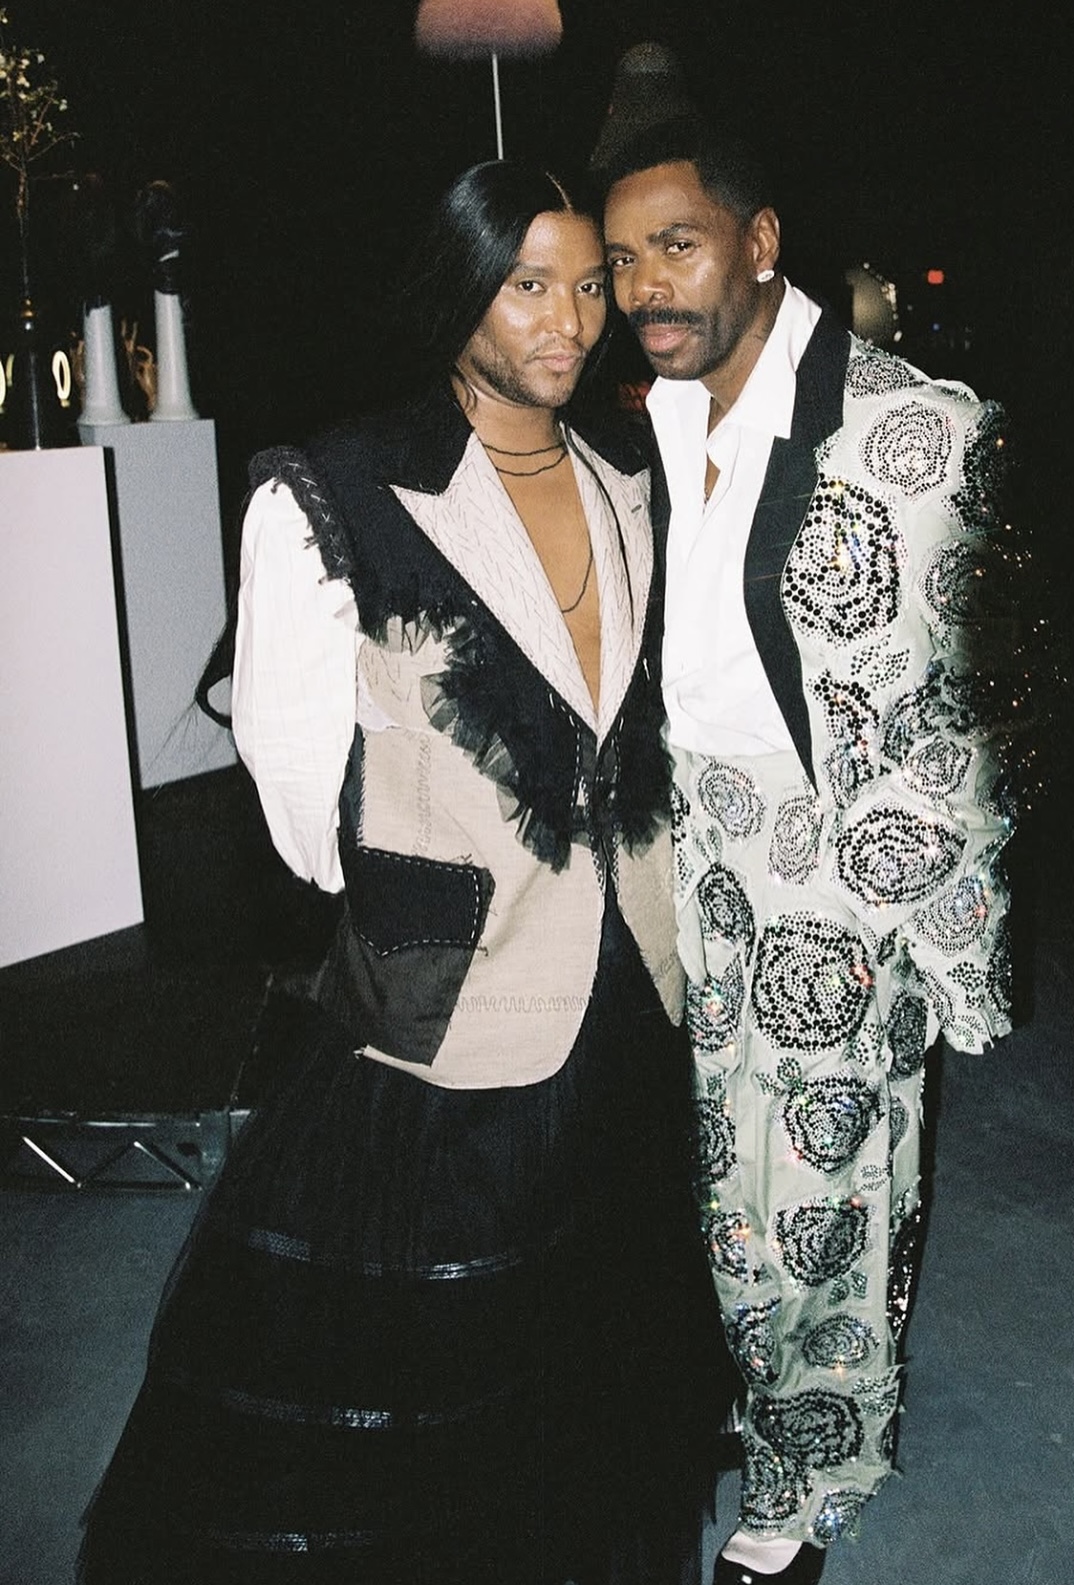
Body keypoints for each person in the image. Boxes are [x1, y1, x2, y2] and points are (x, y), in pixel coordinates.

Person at [78, 160, 732, 1585]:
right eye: (527, 285)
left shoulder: (626, 474)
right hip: (455, 989)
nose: (570, 322)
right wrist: (426, 871)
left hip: (632, 969)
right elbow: (299, 789)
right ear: (461, 286)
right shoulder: (336, 488)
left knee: (593, 1307)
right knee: (424, 1325)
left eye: (588, 285)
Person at [601, 120, 1018, 1585]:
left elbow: (952, 709)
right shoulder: (658, 415)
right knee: (726, 1164)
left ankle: (808, 1475)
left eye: (677, 244)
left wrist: (951, 936)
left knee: (820, 1187)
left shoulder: (909, 430)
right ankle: (769, 1382)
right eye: (622, 259)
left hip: (834, 855)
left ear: (760, 242)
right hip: (699, 832)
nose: (645, 286)